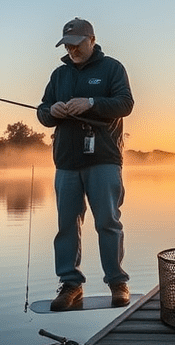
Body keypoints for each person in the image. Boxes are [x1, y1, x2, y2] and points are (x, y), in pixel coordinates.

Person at [37, 18, 134, 311]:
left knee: (108, 222)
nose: (72, 49)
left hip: (103, 158)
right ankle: (71, 285)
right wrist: (51, 111)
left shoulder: (112, 68)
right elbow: (42, 112)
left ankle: (117, 282)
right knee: (66, 225)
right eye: (67, 45)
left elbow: (125, 104)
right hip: (66, 162)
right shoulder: (59, 75)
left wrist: (91, 102)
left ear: (91, 40)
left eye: (77, 44)